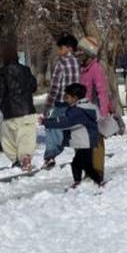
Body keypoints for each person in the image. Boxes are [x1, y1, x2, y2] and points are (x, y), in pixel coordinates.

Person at [42, 82, 103, 188]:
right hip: (87, 140)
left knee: (83, 164)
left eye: (67, 97)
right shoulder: (88, 106)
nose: (65, 100)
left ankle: (97, 181)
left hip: (85, 141)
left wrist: (47, 122)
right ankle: (80, 181)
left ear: (75, 98)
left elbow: (66, 122)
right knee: (79, 163)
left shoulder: (78, 111)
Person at [0, 45, 38, 171]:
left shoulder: (1, 72)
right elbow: (34, 86)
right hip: (27, 110)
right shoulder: (26, 70)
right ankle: (25, 157)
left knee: (7, 137)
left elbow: (0, 92)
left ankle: (15, 159)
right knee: (26, 136)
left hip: (10, 111)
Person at [77, 36, 115, 175]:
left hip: (95, 112)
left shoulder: (96, 69)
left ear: (88, 53)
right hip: (82, 111)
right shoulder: (81, 69)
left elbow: (102, 92)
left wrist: (103, 114)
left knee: (96, 142)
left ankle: (97, 170)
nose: (78, 54)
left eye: (81, 51)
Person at [42, 34, 80, 170]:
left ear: (68, 48)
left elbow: (55, 87)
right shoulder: (77, 62)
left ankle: (50, 156)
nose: (59, 52)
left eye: (61, 48)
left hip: (62, 103)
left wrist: (47, 106)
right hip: (76, 103)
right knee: (72, 129)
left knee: (53, 127)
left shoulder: (61, 63)